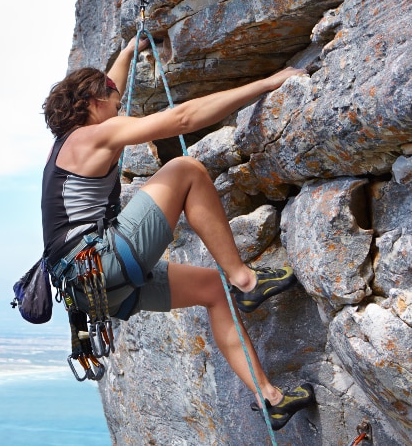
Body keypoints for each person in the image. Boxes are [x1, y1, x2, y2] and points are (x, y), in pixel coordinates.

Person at [40, 37, 316, 431]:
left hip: (92, 292)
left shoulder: (64, 149)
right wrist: (268, 82)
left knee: (213, 291)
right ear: (91, 103)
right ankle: (247, 280)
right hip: (103, 262)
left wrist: (128, 52)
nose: (119, 104)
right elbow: (184, 118)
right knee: (186, 169)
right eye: (112, 100)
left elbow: (108, 89)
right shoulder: (94, 135)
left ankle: (270, 398)